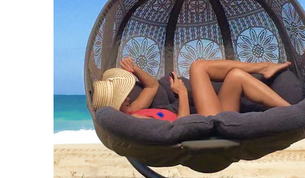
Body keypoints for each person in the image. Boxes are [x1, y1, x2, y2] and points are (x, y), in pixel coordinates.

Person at [92, 56, 292, 121]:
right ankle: (263, 67)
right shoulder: (135, 120)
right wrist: (183, 94)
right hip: (206, 126)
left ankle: (290, 111)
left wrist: (135, 69)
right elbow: (181, 127)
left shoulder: (135, 108)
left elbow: (152, 85)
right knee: (198, 67)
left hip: (214, 117)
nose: (128, 95)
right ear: (115, 104)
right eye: (122, 95)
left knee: (236, 76)